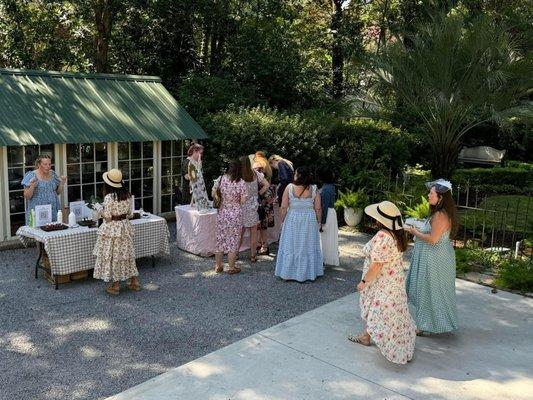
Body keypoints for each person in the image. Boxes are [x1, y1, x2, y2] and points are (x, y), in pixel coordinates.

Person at [348, 200, 416, 365]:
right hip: (393, 282)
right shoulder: (397, 235)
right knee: (389, 313)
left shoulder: (383, 236)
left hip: (382, 283)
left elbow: (377, 264)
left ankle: (386, 344)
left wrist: (364, 282)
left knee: (380, 314)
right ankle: (366, 336)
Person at [404, 179, 459, 335]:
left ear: (440, 197)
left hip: (435, 260)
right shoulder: (440, 214)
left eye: (431, 193)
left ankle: (425, 325)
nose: (428, 195)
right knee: (431, 290)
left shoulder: (440, 215)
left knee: (429, 290)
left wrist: (415, 232)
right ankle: (426, 324)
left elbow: (433, 239)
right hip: (436, 258)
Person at [92, 169, 139, 295]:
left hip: (113, 229)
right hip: (124, 227)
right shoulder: (127, 195)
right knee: (127, 254)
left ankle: (116, 285)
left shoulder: (109, 197)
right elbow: (130, 214)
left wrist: (99, 209)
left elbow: (107, 217)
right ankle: (134, 281)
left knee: (114, 256)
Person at [275, 166, 323, 282]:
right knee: (307, 245)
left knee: (291, 244)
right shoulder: (314, 189)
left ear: (298, 175)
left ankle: (288, 273)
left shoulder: (289, 188)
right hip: (309, 220)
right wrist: (319, 222)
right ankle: (307, 273)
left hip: (292, 219)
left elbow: (283, 207)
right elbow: (318, 208)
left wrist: (282, 220)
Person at [215, 159, 247, 274]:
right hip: (235, 213)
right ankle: (231, 268)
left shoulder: (222, 178)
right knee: (233, 240)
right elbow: (243, 201)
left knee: (220, 239)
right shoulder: (241, 182)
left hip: (222, 212)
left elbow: (215, 193)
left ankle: (218, 266)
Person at [21, 155, 67, 225]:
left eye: (49, 164)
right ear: (39, 164)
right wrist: (32, 187)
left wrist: (62, 184)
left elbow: (57, 193)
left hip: (53, 211)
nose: (48, 166)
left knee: (53, 233)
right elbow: (27, 196)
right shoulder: (31, 175)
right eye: (45, 164)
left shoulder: (53, 174)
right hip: (37, 212)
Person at [239, 156, 268, 262]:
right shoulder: (255, 174)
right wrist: (258, 193)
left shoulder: (238, 176)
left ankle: (236, 253)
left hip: (241, 206)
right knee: (253, 232)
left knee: (240, 232)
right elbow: (266, 184)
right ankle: (253, 255)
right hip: (253, 206)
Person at [319, 170, 339, 266]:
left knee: (324, 237)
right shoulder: (332, 187)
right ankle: (325, 257)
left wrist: (322, 221)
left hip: (327, 214)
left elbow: (324, 205)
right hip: (331, 213)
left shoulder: (326, 188)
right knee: (328, 237)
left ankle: (322, 258)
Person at [185, 143, 210, 212]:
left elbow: (200, 172)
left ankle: (201, 204)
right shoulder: (188, 161)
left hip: (198, 183)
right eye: (200, 153)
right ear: (194, 151)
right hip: (190, 186)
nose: (201, 155)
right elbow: (187, 176)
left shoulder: (196, 161)